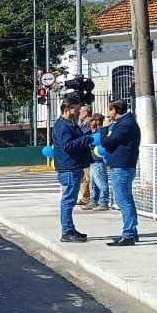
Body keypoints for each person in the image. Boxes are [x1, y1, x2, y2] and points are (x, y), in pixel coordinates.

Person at [51, 98, 94, 243]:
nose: (78, 112)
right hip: (69, 167)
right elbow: (67, 146)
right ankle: (67, 231)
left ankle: (70, 228)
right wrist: (86, 139)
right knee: (68, 201)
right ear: (67, 109)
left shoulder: (70, 124)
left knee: (70, 199)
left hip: (74, 166)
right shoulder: (62, 126)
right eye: (76, 109)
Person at [99, 100, 141, 246]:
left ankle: (129, 234)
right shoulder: (124, 123)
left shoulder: (126, 125)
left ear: (116, 110)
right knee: (127, 199)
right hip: (122, 166)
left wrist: (104, 129)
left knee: (123, 200)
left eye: (110, 110)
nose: (108, 114)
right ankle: (132, 232)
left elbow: (107, 143)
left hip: (122, 167)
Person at [77, 106, 94, 206]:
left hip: (88, 153)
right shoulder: (82, 124)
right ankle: (84, 197)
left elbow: (83, 136)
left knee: (88, 177)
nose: (79, 112)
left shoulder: (90, 124)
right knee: (83, 177)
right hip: (81, 153)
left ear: (86, 113)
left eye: (81, 111)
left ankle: (90, 198)